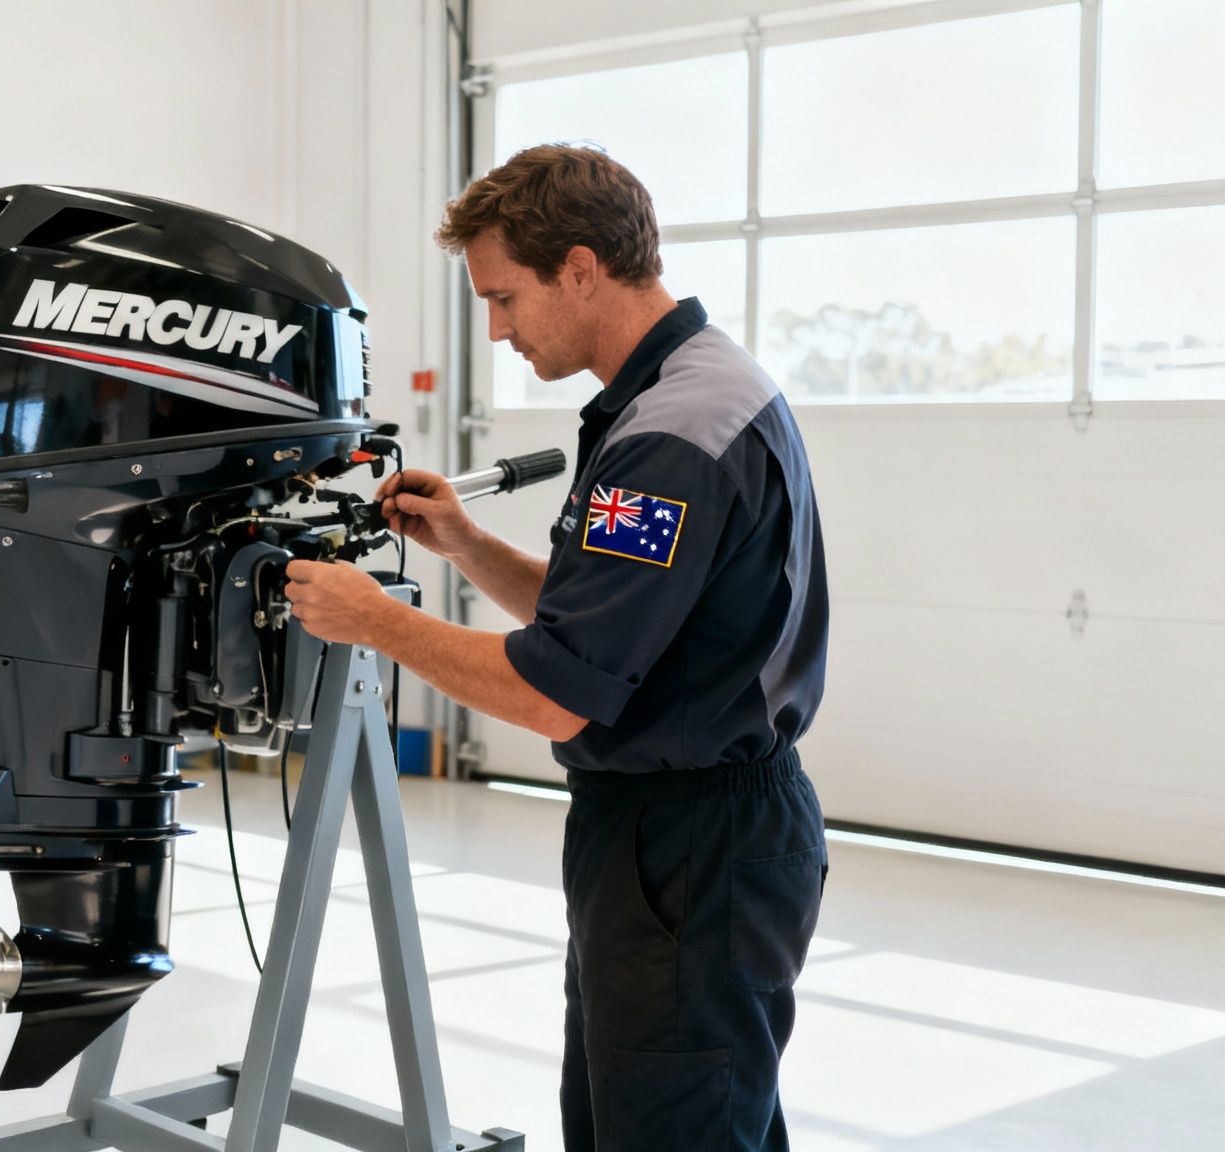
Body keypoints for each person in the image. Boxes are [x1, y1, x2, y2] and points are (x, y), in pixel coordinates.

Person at [283, 144, 830, 1151]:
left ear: (578, 268)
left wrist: (375, 620)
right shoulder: (687, 391)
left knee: (672, 1129)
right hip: (676, 834)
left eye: (503, 297)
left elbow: (556, 695)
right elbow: (614, 631)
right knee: (665, 1118)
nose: (494, 329)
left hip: (690, 848)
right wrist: (466, 546)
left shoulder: (670, 436)